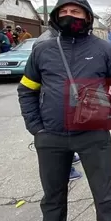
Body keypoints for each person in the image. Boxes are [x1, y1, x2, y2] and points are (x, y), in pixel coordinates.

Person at [17, 0, 111, 221]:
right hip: (50, 136)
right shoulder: (42, 49)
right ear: (56, 17)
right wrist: (35, 127)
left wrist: (109, 118)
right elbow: (27, 89)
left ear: (87, 17)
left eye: (76, 12)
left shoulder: (104, 50)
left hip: (93, 135)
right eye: (64, 12)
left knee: (105, 195)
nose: (69, 16)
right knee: (52, 198)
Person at [33, 25, 83, 181]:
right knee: (58, 132)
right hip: (54, 99)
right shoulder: (47, 41)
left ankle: (70, 154)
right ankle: (66, 169)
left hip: (64, 96)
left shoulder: (60, 36)